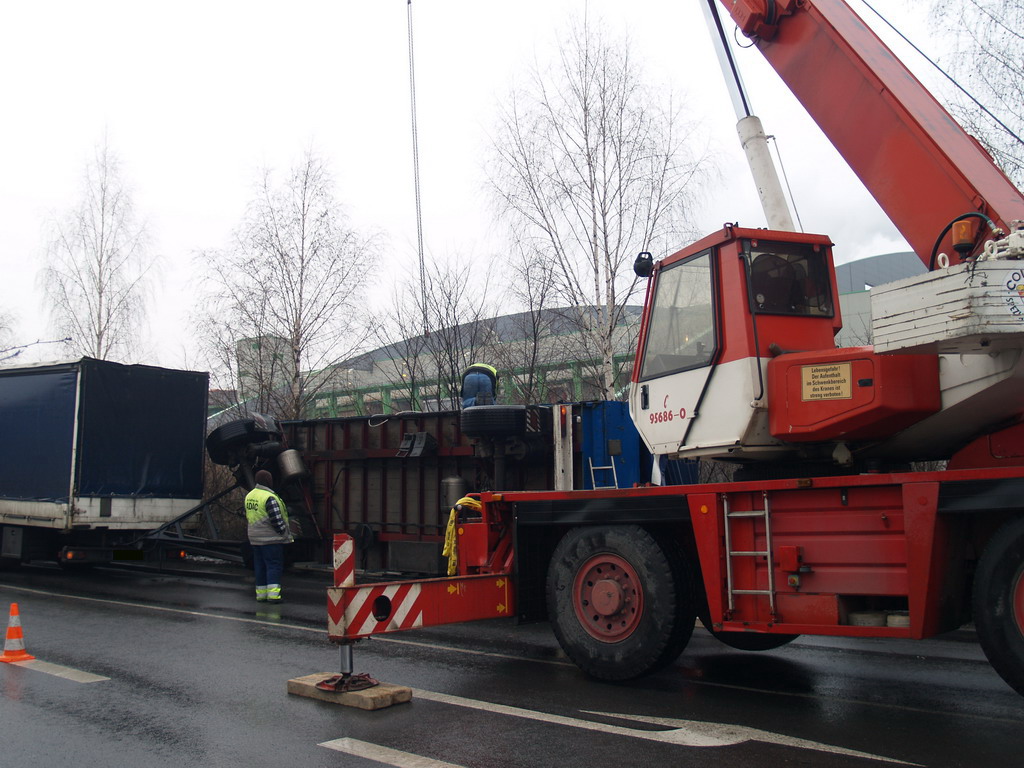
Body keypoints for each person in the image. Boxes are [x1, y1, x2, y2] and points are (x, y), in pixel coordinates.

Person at [245, 469, 291, 602]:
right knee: (273, 565)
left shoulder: (250, 495)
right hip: (270, 539)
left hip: (254, 538)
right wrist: (283, 532)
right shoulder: (269, 497)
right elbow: (276, 519)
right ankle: (273, 596)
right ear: (267, 481)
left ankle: (261, 594)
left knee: (260, 566)